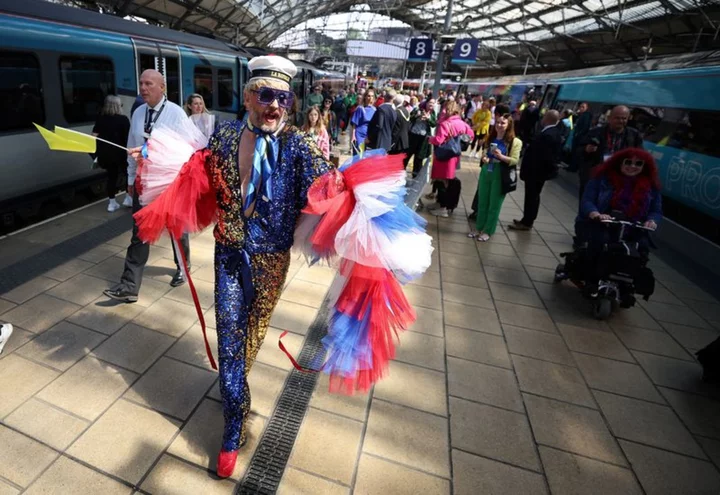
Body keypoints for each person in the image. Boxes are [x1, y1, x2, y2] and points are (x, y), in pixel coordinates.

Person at [133, 56, 335, 478]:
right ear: (248, 97)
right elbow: (194, 170)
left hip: (271, 261)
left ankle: (233, 385)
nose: (275, 106)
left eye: (284, 98)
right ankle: (232, 423)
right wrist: (151, 156)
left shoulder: (300, 147)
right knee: (228, 332)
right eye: (266, 96)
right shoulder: (224, 137)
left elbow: (327, 189)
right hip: (228, 254)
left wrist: (356, 197)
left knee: (251, 338)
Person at [103, 69, 192, 302]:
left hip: (169, 182)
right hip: (143, 182)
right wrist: (131, 179)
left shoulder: (176, 114)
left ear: (162, 87)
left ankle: (183, 267)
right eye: (141, 83)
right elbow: (131, 148)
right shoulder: (138, 113)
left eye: (149, 84)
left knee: (176, 229)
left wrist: (148, 151)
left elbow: (185, 151)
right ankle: (129, 286)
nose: (143, 88)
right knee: (139, 232)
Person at [575, 148, 661, 286]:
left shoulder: (651, 187)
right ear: (618, 163)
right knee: (600, 241)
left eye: (638, 164)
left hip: (632, 227)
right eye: (628, 162)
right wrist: (595, 214)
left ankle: (628, 281)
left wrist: (652, 221)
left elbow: (656, 210)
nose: (632, 166)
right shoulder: (602, 179)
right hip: (602, 224)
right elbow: (587, 201)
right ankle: (591, 276)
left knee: (642, 247)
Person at [469, 112, 522, 241]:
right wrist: (485, 157)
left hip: (500, 174)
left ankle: (488, 231)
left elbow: (515, 160)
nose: (499, 125)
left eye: (502, 123)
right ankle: (478, 228)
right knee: (482, 202)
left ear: (509, 125)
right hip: (487, 171)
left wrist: (501, 156)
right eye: (497, 122)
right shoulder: (490, 137)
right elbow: (485, 153)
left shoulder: (515, 142)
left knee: (494, 204)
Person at [509, 110, 562, 231]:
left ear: (548, 119)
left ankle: (527, 222)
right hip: (538, 172)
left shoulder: (548, 135)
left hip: (536, 172)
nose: (542, 119)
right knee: (532, 196)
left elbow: (543, 156)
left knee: (532, 197)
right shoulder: (553, 133)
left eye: (544, 117)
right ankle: (526, 219)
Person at [578, 105, 643, 201]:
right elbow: (578, 150)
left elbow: (641, 156)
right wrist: (586, 149)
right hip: (594, 176)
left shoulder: (634, 135)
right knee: (587, 207)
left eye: (624, 118)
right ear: (610, 118)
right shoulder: (596, 132)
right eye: (617, 118)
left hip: (618, 179)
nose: (621, 121)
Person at [427, 101, 474, 218]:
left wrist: (430, 139)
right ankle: (441, 204)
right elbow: (471, 136)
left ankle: (443, 208)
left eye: (444, 109)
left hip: (443, 157)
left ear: (448, 110)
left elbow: (438, 140)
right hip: (454, 157)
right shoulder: (462, 123)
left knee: (442, 182)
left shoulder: (445, 124)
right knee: (447, 181)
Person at [92, 95, 131, 212]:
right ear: (118, 106)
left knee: (111, 177)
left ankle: (112, 203)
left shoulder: (100, 119)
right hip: (121, 153)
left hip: (106, 154)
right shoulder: (123, 119)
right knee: (128, 175)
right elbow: (128, 138)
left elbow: (93, 137)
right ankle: (128, 198)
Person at [405, 98, 437, 177]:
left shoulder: (432, 113)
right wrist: (417, 115)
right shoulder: (418, 109)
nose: (431, 104)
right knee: (407, 155)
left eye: (433, 103)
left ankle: (415, 176)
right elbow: (410, 118)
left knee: (419, 158)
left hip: (423, 139)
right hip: (413, 136)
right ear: (426, 103)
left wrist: (428, 119)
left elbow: (434, 124)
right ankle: (399, 173)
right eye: (430, 102)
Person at [350, 89, 376, 155]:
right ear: (365, 97)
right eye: (369, 96)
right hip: (359, 135)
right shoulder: (360, 108)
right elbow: (354, 124)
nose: (370, 98)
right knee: (358, 155)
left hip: (369, 135)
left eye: (372, 96)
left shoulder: (374, 110)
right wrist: (353, 136)